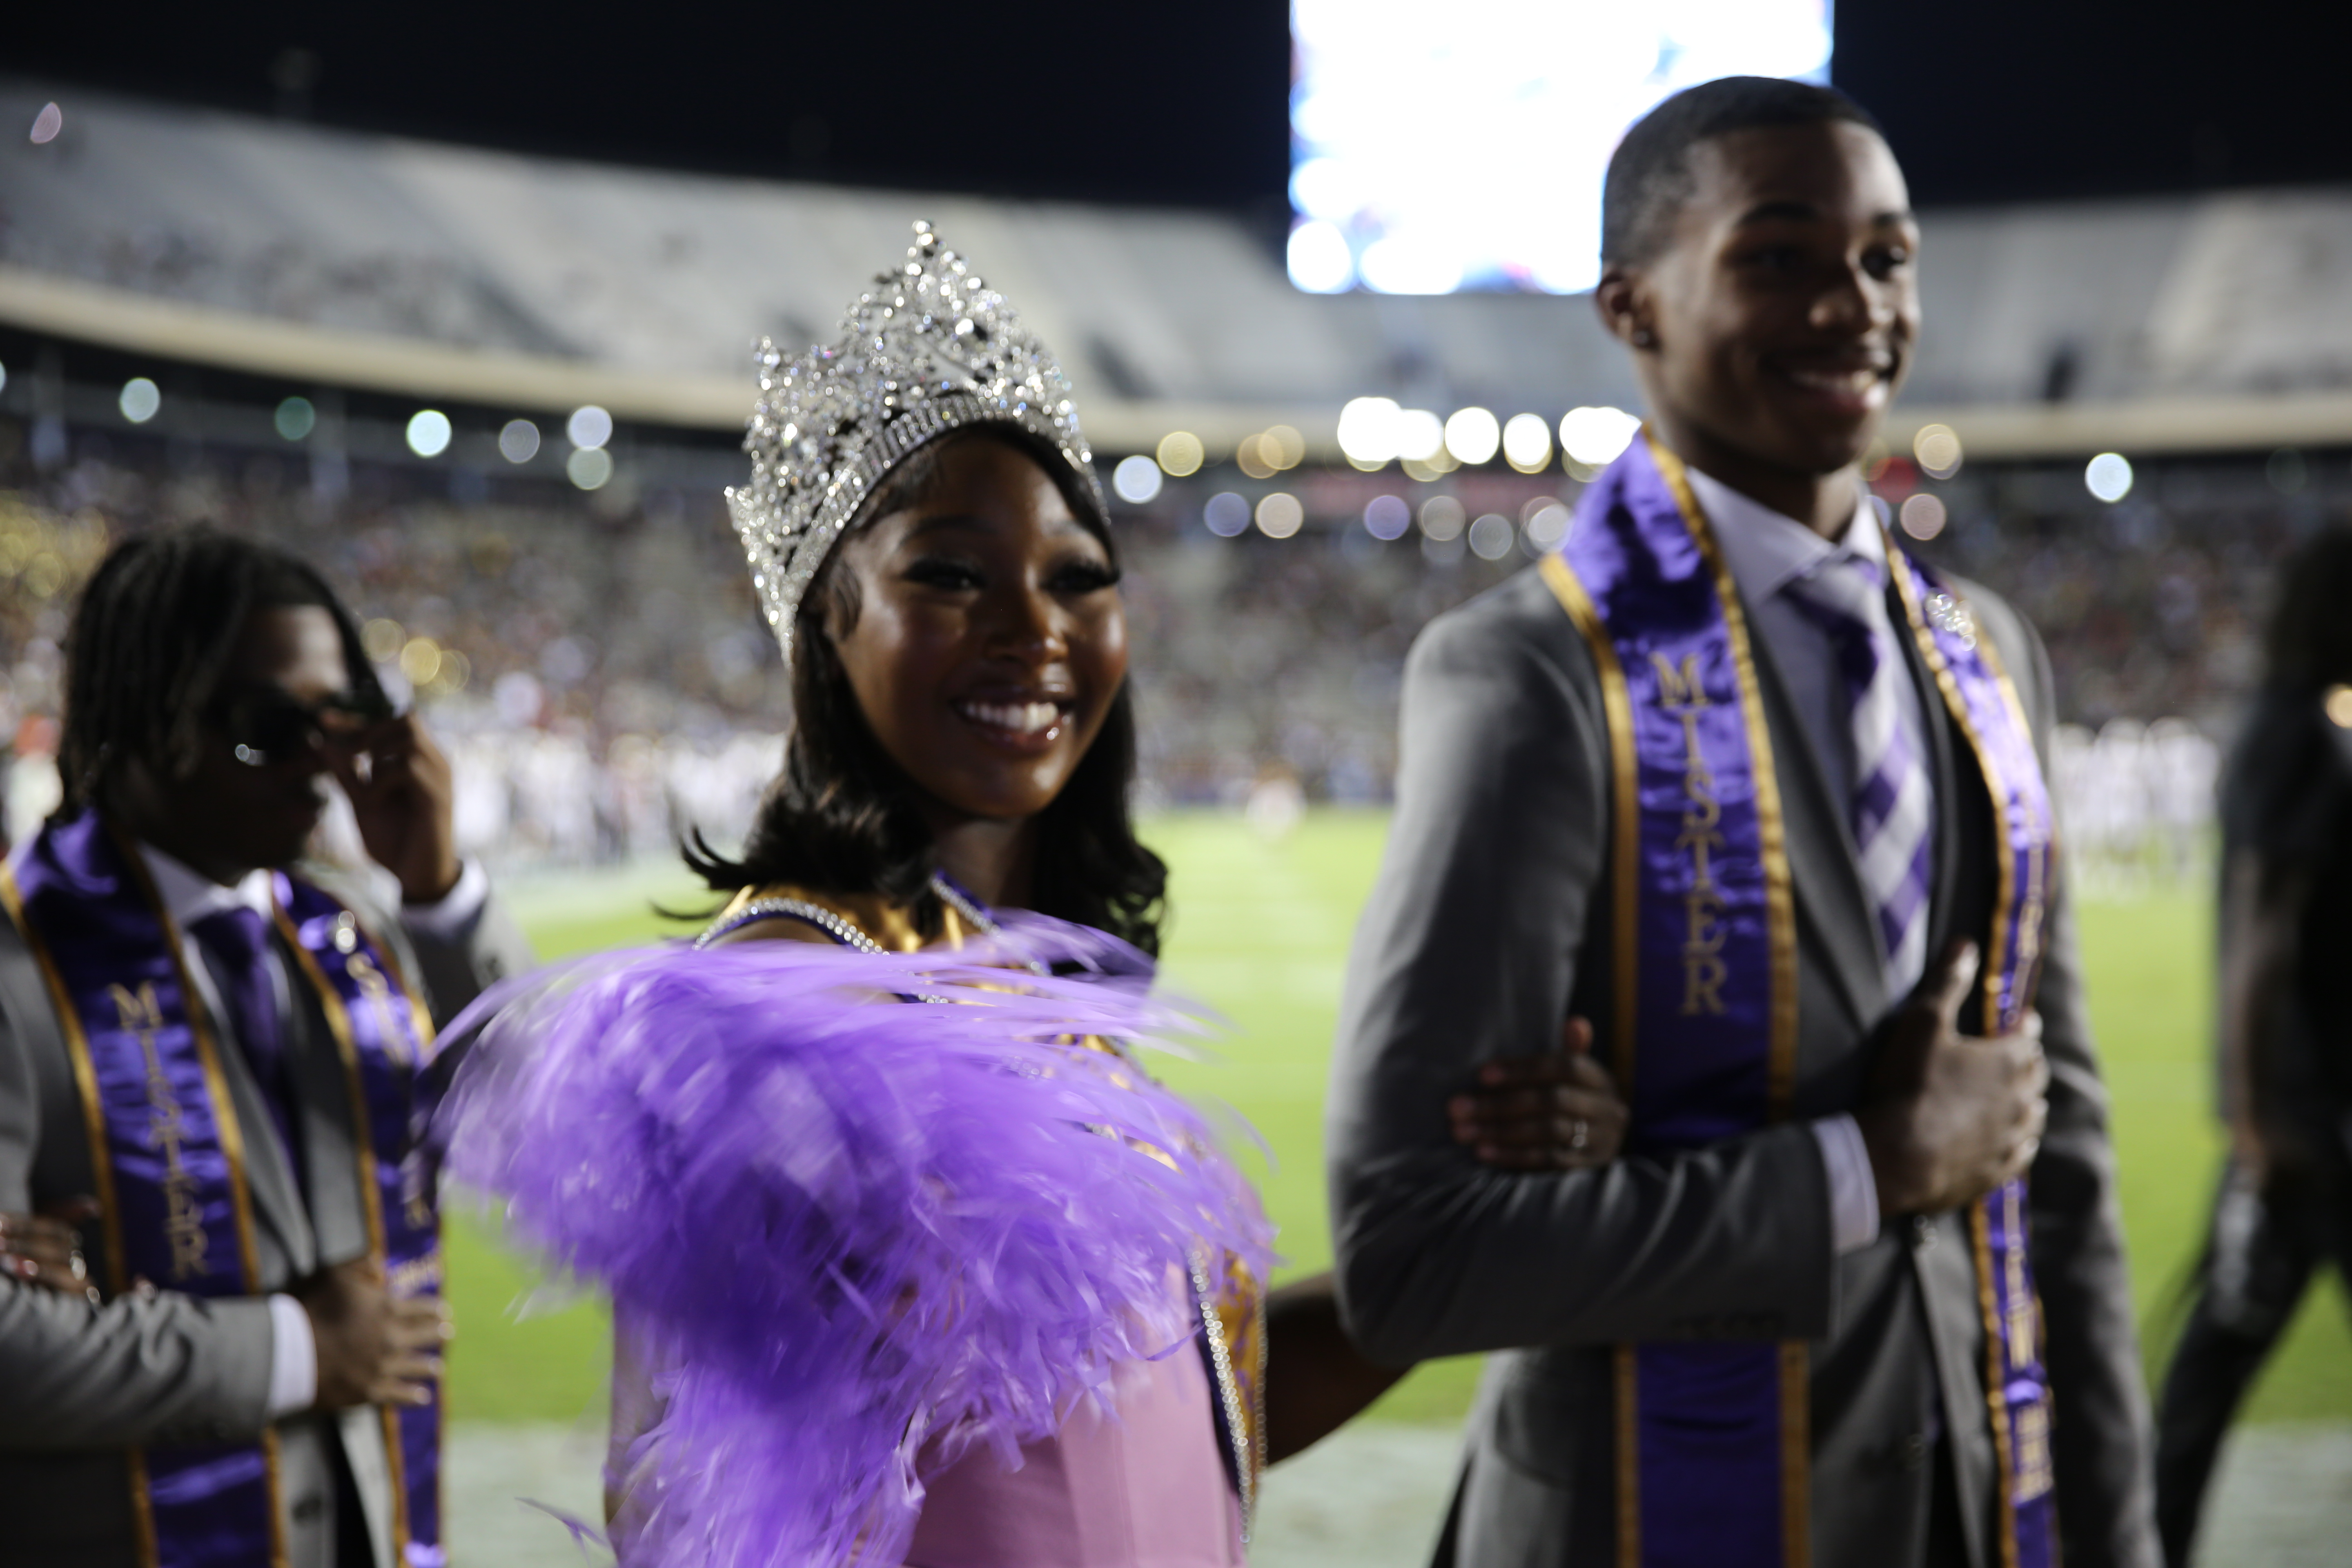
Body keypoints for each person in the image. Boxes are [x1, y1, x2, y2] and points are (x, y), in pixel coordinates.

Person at [434, 224, 1630, 1568]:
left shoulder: (1023, 978)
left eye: (1079, 579)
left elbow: (1205, 1417)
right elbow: (695, 1511)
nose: (1033, 626)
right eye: (948, 575)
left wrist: (1490, 1200)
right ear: (831, 618)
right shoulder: (783, 1006)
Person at [1326, 78, 2156, 1568]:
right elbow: (1416, 1257)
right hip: (1641, 1522)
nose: (1855, 306)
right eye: (1780, 255)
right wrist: (1869, 1167)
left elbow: (2060, 1166)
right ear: (1632, 305)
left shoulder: (1991, 655)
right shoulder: (1529, 677)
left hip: (1972, 1515)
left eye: (1887, 258)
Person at [0, 529, 534, 1568]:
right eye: (265, 728)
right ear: (143, 717)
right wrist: (294, 1352)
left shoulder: (362, 935)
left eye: (338, 722)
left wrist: (440, 892)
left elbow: (547, 1133)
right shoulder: (18, 964)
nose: (318, 766)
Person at [2153, 530, 2352, 1565]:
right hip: (2314, 1124)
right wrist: (2256, 1115)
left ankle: (2144, 1539)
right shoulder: (2301, 735)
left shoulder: (2292, 725)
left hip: (2304, 1119)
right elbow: (2264, 934)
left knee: (2213, 1365)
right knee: (2210, 1367)